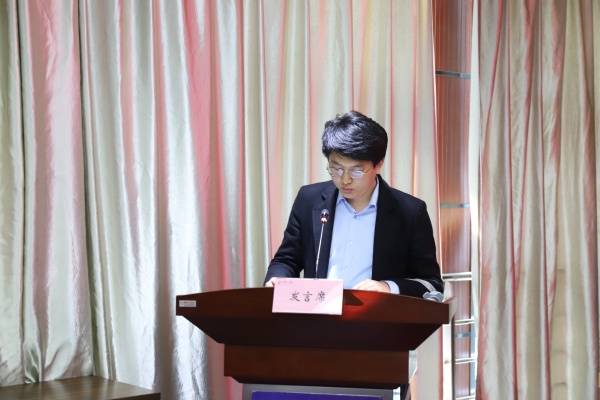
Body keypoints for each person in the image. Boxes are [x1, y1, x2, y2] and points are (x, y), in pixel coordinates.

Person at [263, 110, 443, 297]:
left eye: (356, 171)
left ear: (378, 164)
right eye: (336, 169)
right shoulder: (309, 199)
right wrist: (277, 279)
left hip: (377, 314)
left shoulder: (411, 211)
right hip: (318, 312)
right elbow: (286, 260)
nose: (345, 180)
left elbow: (431, 283)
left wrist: (388, 287)